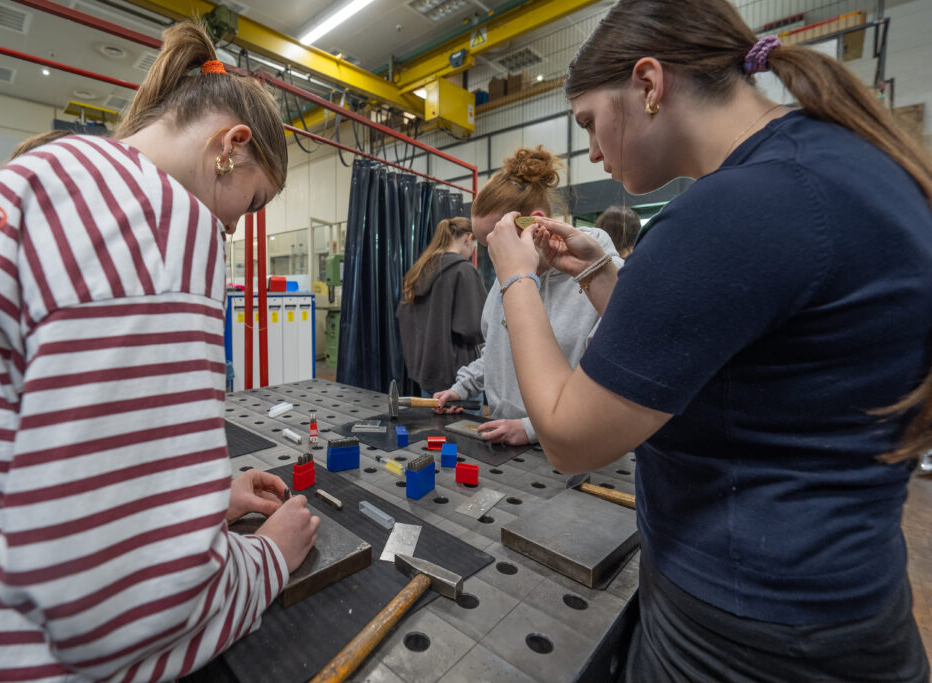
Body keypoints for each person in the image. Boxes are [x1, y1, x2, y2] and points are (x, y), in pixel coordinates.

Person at [485, 0, 932, 680]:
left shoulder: (735, 207)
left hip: (747, 634)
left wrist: (516, 277)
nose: (593, 151)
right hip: (841, 601)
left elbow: (570, 437)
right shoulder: (839, 164)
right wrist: (601, 272)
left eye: (589, 123)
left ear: (648, 84)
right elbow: (714, 357)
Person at [0, 22, 320, 682]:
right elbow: (119, 605)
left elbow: (7, 455)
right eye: (251, 203)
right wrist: (268, 557)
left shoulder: (35, 180)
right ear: (231, 146)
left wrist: (200, 500)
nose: (232, 227)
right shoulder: (162, 220)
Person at [434, 146, 620, 445]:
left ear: (533, 223)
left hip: (576, 444)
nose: (494, 256)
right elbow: (496, 351)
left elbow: (608, 389)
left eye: (497, 243)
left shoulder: (605, 282)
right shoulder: (505, 283)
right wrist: (462, 387)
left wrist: (532, 427)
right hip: (506, 437)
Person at [396, 217, 486, 398]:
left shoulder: (420, 270)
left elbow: (405, 319)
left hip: (426, 373)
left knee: (431, 416)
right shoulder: (463, 270)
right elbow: (474, 327)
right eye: (474, 247)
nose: (472, 252)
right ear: (468, 238)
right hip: (458, 379)